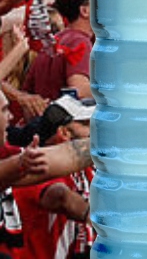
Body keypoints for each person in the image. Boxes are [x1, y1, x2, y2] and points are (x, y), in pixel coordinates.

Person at [12, 95, 92, 259]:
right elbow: (60, 196)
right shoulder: (35, 164)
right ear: (64, 132)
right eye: (88, 124)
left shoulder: (87, 169)